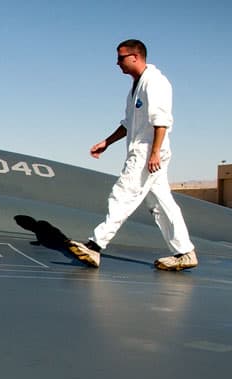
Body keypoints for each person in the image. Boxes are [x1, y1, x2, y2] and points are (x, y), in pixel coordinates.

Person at [68, 39, 198, 271]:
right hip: (144, 149)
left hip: (148, 151)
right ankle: (185, 252)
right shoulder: (136, 86)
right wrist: (106, 142)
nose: (117, 63)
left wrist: (155, 153)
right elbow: (129, 124)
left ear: (135, 56)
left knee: (123, 193)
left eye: (121, 57)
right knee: (160, 203)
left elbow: (162, 121)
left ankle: (95, 246)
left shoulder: (155, 82)